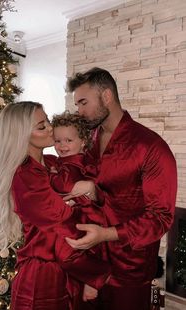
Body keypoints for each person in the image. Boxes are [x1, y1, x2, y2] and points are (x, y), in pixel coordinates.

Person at [65, 67, 177, 310]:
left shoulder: (151, 147)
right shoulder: (88, 140)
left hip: (127, 271)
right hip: (88, 265)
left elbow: (160, 218)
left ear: (107, 96)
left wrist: (106, 234)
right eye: (77, 105)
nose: (79, 111)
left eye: (83, 102)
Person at [0, 101, 111, 310]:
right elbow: (61, 220)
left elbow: (95, 194)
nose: (50, 128)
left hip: (72, 267)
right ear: (22, 135)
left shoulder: (53, 163)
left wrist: (91, 190)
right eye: (41, 126)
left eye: (47, 121)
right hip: (44, 275)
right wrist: (98, 272)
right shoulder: (24, 175)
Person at [49, 111, 109, 303]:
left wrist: (50, 175)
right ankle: (91, 279)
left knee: (65, 252)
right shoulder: (69, 160)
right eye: (57, 141)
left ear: (83, 141)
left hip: (85, 217)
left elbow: (65, 186)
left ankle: (97, 274)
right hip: (82, 214)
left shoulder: (75, 163)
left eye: (68, 140)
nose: (62, 146)